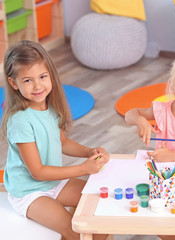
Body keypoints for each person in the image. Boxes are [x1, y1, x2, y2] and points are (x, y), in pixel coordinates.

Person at [0, 40, 110, 240]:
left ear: (50, 74)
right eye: (27, 80)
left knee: (103, 207)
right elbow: (38, 172)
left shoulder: (49, 107)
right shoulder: (20, 121)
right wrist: (83, 169)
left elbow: (63, 142)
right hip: (30, 192)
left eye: (42, 76)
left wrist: (89, 152)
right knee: (75, 229)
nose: (37, 86)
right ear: (13, 83)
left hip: (54, 183)